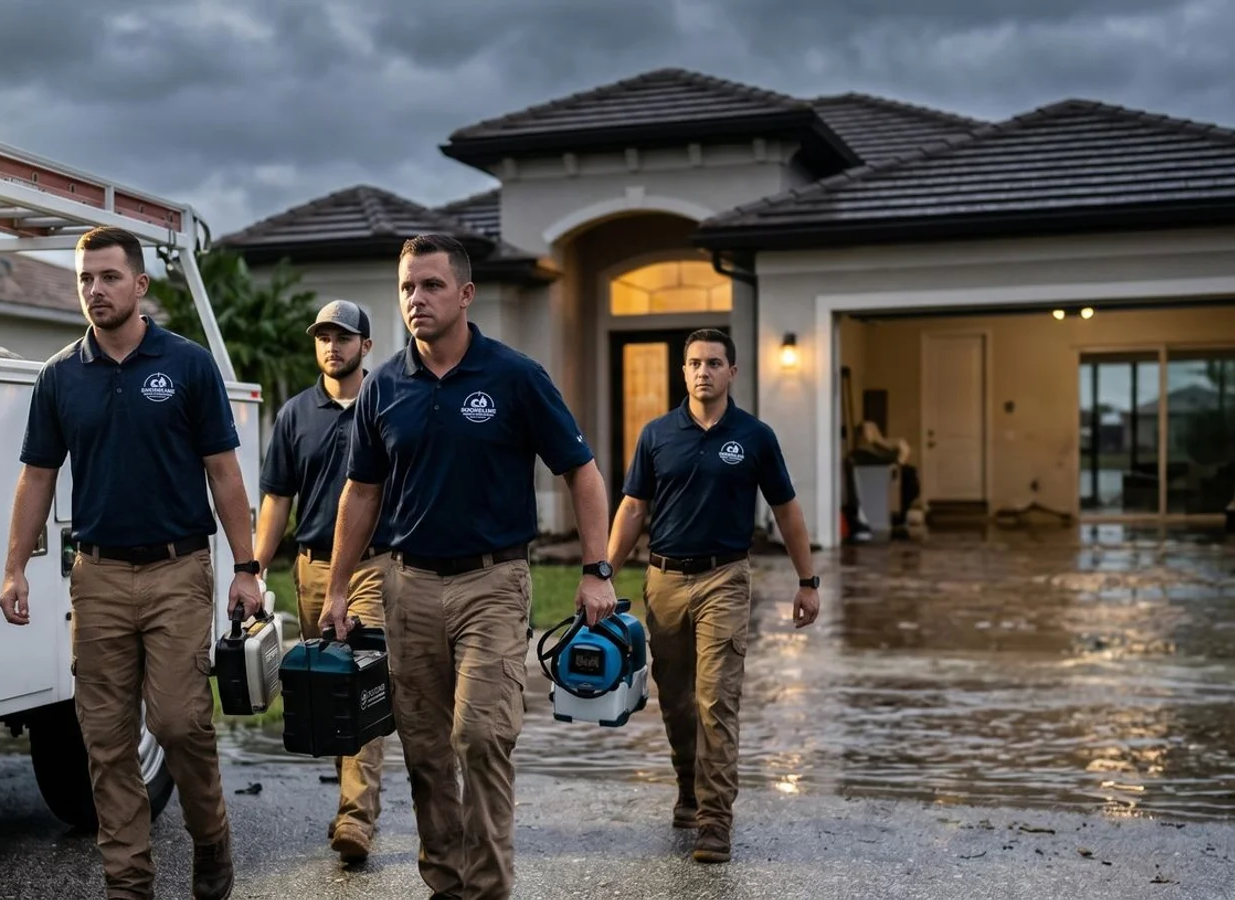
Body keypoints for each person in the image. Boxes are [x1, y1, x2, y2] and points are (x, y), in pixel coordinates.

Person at [320, 233, 616, 899]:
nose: (416, 299)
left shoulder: (514, 377)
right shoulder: (385, 385)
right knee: (425, 750)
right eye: (406, 288)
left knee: (480, 735)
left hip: (493, 581)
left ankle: (487, 888)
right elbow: (361, 493)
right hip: (408, 584)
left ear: (465, 293)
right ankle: (446, 884)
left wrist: (597, 568)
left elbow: (583, 472)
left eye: (430, 285)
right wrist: (339, 587)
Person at [0, 225, 260, 900]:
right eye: (85, 278)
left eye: (109, 277)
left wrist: (247, 567)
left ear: (140, 285)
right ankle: (129, 885)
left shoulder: (188, 365)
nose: (95, 290)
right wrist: (15, 567)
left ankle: (212, 839)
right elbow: (37, 477)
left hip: (178, 571)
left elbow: (224, 474)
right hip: (99, 575)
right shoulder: (59, 377)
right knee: (106, 740)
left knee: (177, 721)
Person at [603, 327, 821, 865]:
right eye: (695, 363)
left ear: (732, 372)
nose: (704, 371)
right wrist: (602, 572)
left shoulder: (754, 436)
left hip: (725, 578)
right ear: (684, 372)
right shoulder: (656, 435)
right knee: (676, 703)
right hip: (664, 582)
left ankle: (715, 822)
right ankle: (688, 791)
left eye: (714, 363)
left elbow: (786, 509)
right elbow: (633, 509)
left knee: (717, 701)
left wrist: (807, 580)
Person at [251, 298, 392, 863]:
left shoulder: (386, 405)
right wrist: (255, 567)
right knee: (329, 686)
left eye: (343, 337)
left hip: (372, 568)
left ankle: (357, 817)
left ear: (366, 346)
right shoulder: (294, 414)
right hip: (310, 568)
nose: (331, 346)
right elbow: (277, 499)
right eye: (323, 337)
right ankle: (347, 803)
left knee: (359, 681)